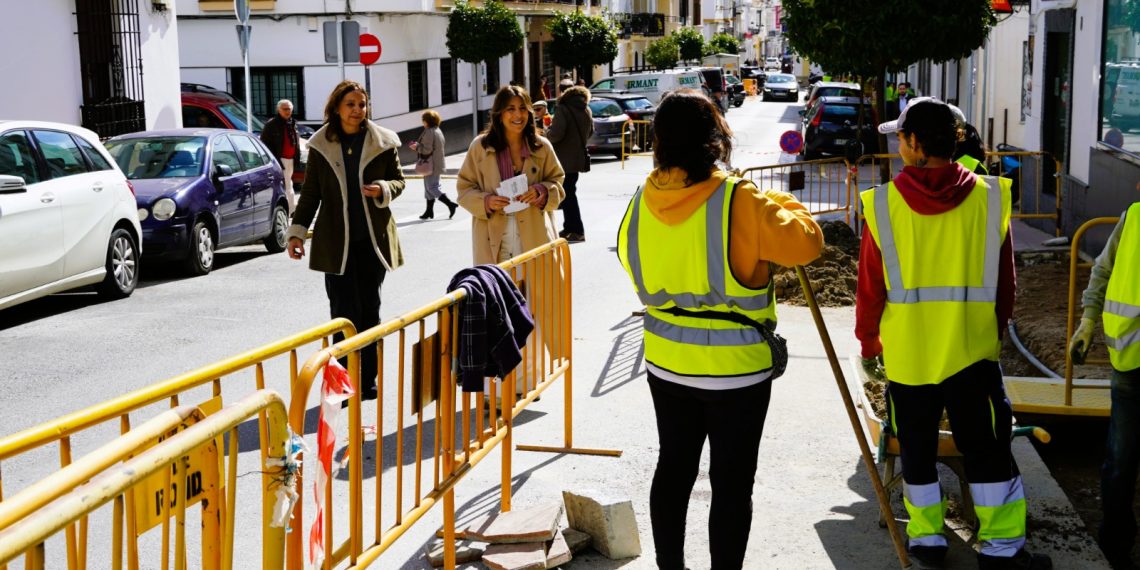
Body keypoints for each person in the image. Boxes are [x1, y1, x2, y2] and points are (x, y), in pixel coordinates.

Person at [617, 89, 823, 570]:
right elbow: (807, 243)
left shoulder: (641, 200)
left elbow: (631, 259)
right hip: (737, 374)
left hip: (667, 366)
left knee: (673, 469)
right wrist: (777, 198)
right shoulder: (740, 199)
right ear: (715, 137)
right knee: (731, 483)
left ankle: (670, 565)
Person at [857, 99, 1051, 570]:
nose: (898, 145)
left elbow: (870, 288)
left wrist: (869, 344)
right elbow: (1006, 283)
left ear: (917, 144)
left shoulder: (883, 205)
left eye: (901, 137)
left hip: (909, 359)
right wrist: (994, 332)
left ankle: (927, 540)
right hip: (973, 354)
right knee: (987, 449)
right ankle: (1002, 548)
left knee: (918, 452)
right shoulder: (989, 198)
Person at [285, 80, 405, 401]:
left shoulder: (381, 142)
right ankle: (345, 380)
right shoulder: (321, 145)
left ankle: (367, 380)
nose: (357, 110)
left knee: (369, 310)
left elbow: (399, 181)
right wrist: (297, 234)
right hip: (336, 245)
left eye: (362, 104)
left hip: (371, 241)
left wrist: (383, 188)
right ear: (336, 107)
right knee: (342, 314)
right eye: (350, 104)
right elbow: (310, 195)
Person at [456, 85, 565, 399]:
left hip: (534, 241)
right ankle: (496, 389)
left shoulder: (541, 146)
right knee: (498, 316)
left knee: (531, 315)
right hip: (495, 243)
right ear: (499, 114)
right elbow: (464, 189)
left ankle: (526, 383)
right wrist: (487, 201)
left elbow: (559, 182)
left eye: (522, 108)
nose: (517, 115)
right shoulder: (480, 147)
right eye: (510, 109)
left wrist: (543, 191)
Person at [1069, 199, 1140, 569]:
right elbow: (1104, 270)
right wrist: (1087, 321)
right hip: (1130, 365)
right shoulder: (1133, 217)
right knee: (1120, 462)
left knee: (1120, 460)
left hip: (1129, 362)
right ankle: (1114, 545)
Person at [545, 85, 592, 243]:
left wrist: (546, 134)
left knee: (568, 194)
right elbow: (590, 131)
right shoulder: (586, 109)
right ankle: (569, 227)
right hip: (577, 158)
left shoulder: (563, 109)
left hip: (563, 159)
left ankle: (577, 230)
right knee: (569, 192)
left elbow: (557, 134)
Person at [411, 110, 458, 220]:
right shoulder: (437, 130)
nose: (422, 122)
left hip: (431, 163)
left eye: (423, 120)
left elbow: (427, 149)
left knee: (432, 187)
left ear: (427, 121)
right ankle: (429, 211)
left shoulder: (429, 132)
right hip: (435, 163)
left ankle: (451, 205)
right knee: (428, 188)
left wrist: (416, 147)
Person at [260, 99, 300, 213]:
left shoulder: (292, 123)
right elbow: (265, 144)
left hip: (290, 160)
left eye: (289, 109)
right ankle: (290, 210)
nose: (288, 111)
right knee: (286, 185)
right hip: (280, 160)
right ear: (278, 110)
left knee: (289, 184)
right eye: (285, 109)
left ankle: (290, 209)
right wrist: (275, 161)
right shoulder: (272, 124)